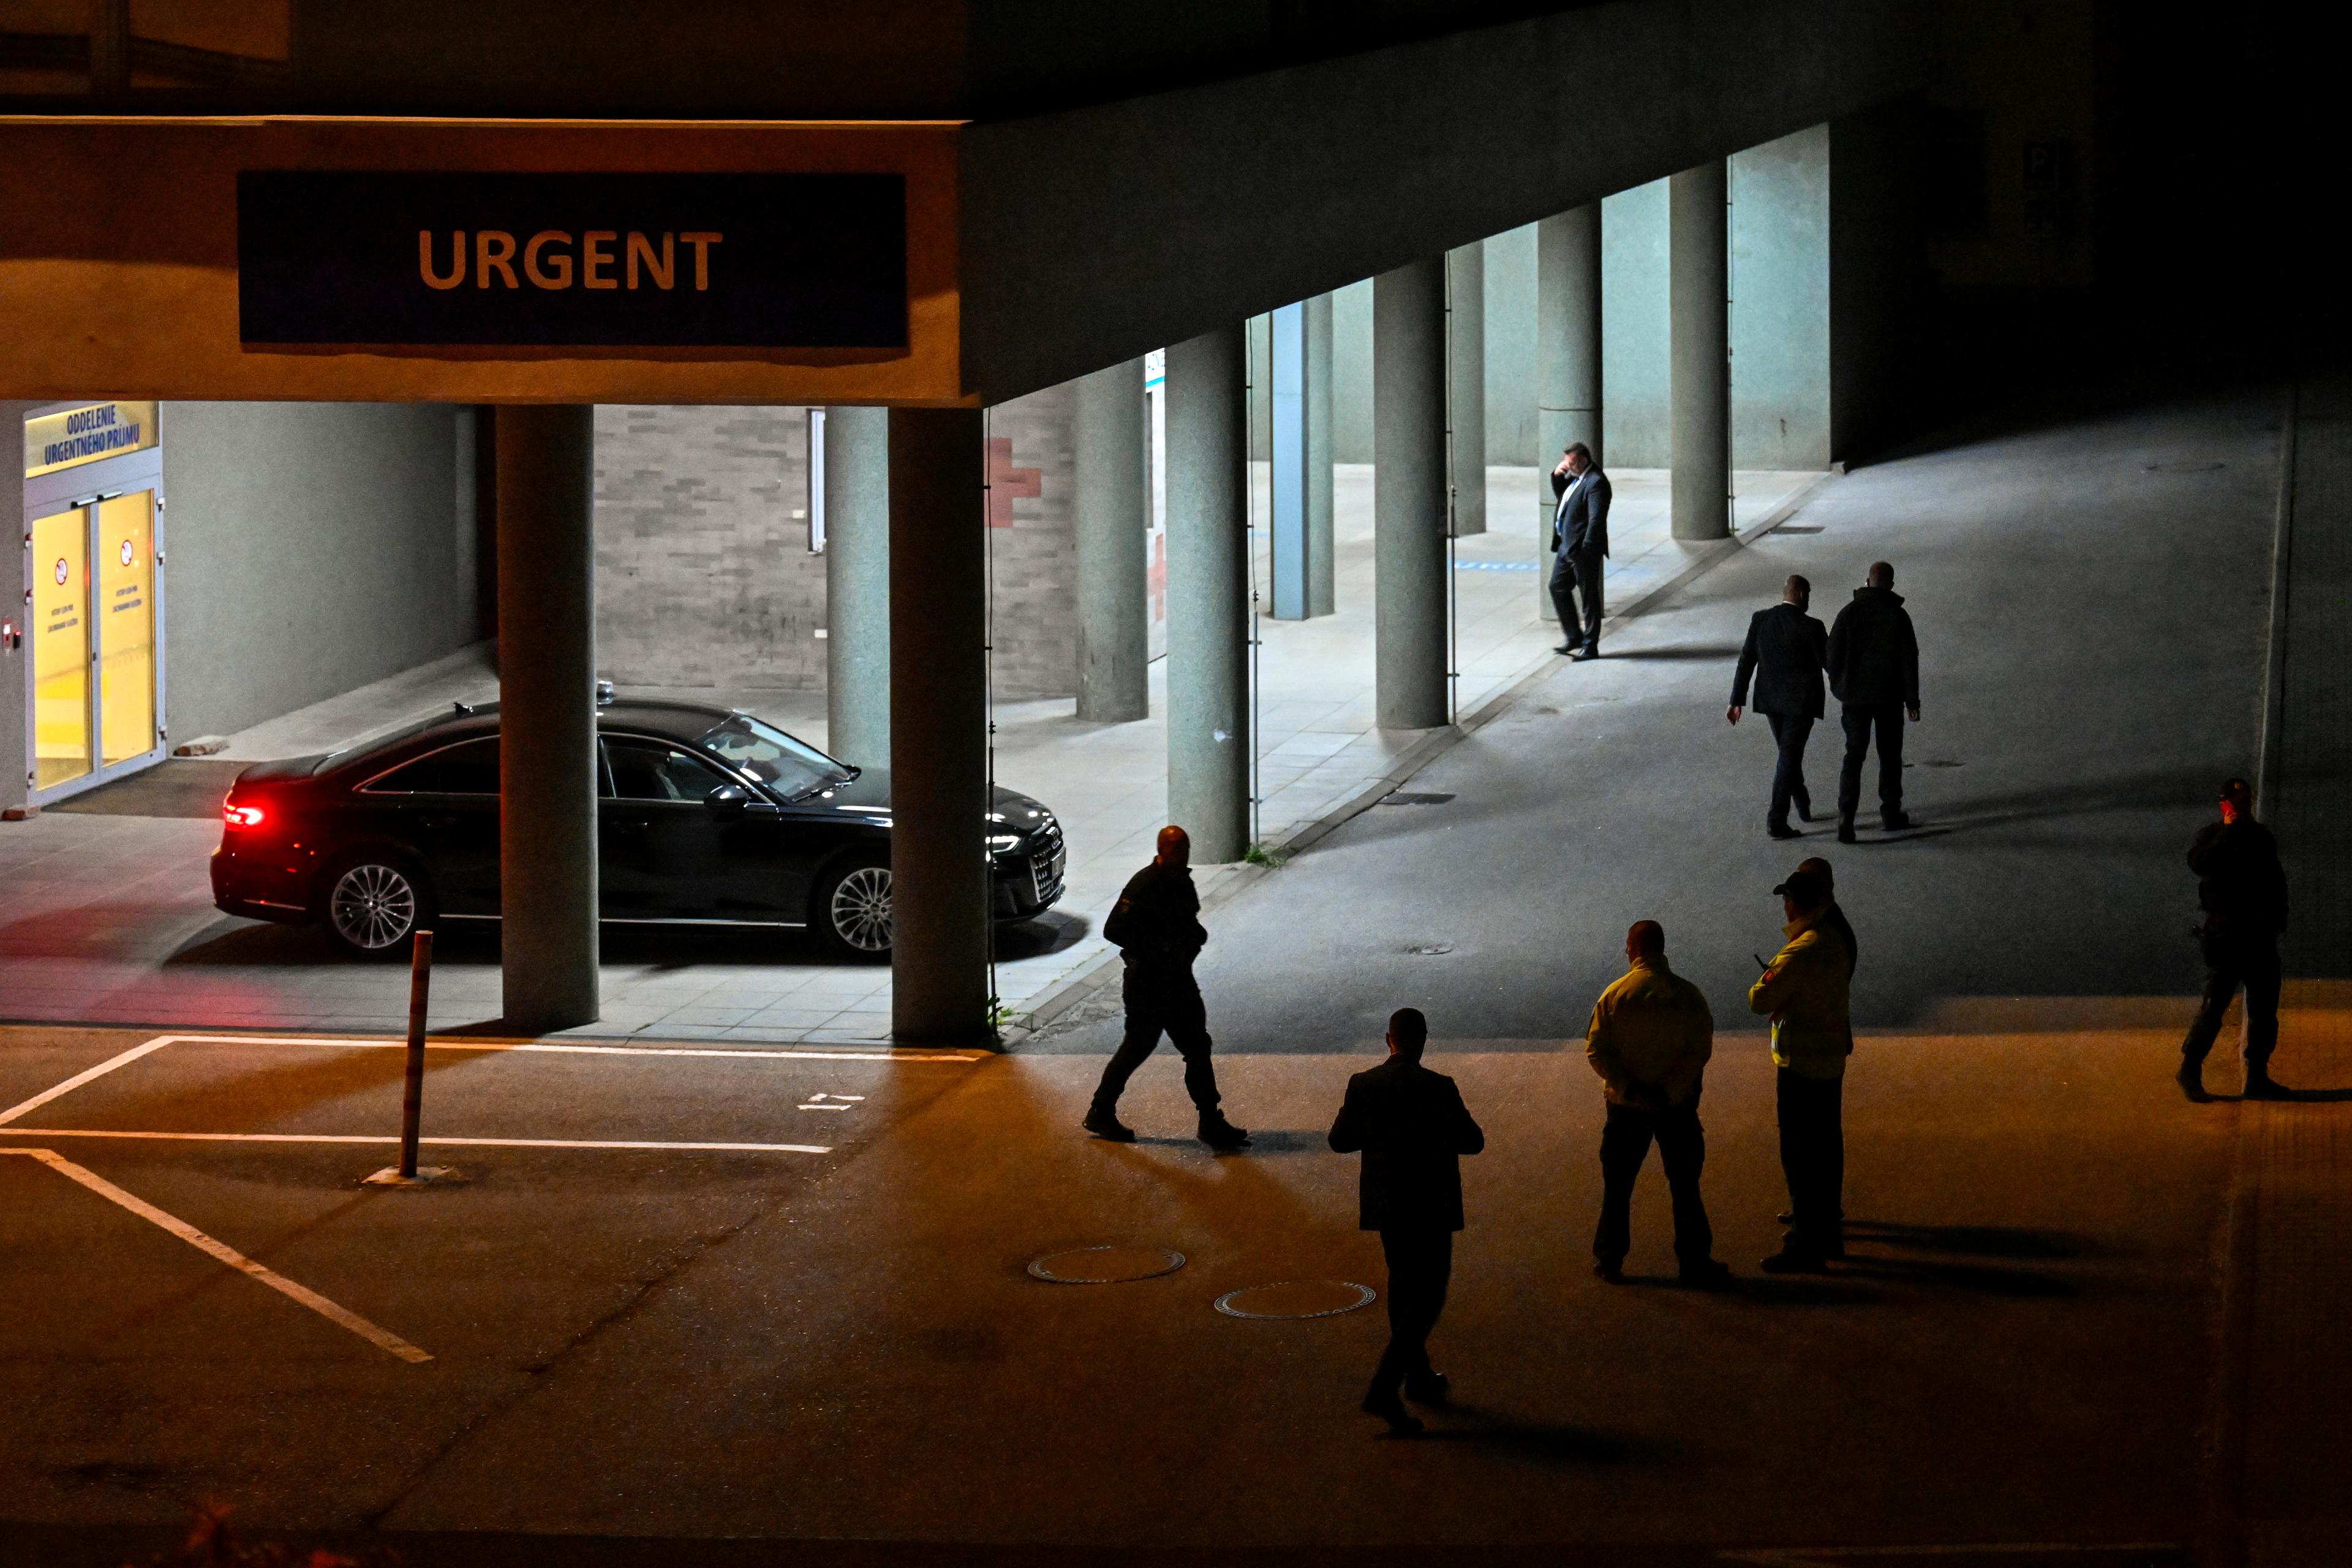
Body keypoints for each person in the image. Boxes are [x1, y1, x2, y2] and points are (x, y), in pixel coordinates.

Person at [1328, 1007, 1485, 1435]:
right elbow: (1473, 1142)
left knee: (1403, 1287)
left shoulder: (1363, 1085)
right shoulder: (1440, 1087)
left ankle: (1418, 1374)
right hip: (1432, 1204)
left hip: (1388, 1206)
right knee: (1430, 1294)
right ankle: (1386, 1386)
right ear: (1423, 1041)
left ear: (1388, 1040)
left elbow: (1340, 1141)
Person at [1084, 825, 1251, 1150]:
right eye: (1178, 850)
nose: (1184, 855)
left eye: (1186, 849)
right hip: (1149, 983)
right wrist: (1158, 949)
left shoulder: (1180, 878)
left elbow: (1184, 919)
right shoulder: (1145, 883)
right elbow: (1114, 929)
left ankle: (1210, 1119)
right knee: (1138, 1047)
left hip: (1177, 979)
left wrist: (1194, 936)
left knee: (1197, 1047)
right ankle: (1101, 1110)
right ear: (1163, 849)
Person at [1585, 921, 1732, 1287]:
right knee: (1685, 1187)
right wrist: (1668, 1090)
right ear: (1662, 948)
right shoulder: (1688, 995)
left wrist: (1632, 1088)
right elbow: (1699, 1051)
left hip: (1625, 1108)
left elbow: (1597, 1050)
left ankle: (1610, 1258)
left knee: (1618, 1188)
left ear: (1632, 950)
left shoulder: (1614, 996)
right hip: (1676, 1107)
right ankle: (1694, 1261)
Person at [1747, 867, 1853, 1272]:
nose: (1784, 906)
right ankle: (1827, 1233)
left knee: (1800, 1155)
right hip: (1829, 1058)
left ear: (1798, 903)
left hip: (1800, 1065)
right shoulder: (1835, 939)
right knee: (1826, 1150)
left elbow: (1759, 999)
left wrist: (1773, 979)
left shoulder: (1800, 949)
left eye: (1787, 899)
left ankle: (1807, 1245)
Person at [2178, 778, 2291, 1101]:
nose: (2241, 807)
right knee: (2214, 1007)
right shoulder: (2214, 836)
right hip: (2226, 936)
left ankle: (2258, 1077)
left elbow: (2275, 877)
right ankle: (2190, 1070)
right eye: (2234, 802)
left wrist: (2279, 919)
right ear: (2224, 804)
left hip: (2260, 936)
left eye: (2245, 802)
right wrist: (2228, 831)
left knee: (2264, 1011)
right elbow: (2198, 864)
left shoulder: (2261, 836)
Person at [1825, 560, 1920, 844]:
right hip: (1889, 700)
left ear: (1867, 582)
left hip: (1854, 700)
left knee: (1853, 756)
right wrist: (1912, 701)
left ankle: (1846, 817)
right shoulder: (1898, 616)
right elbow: (1909, 660)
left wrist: (1840, 686)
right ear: (1890, 585)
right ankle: (1890, 814)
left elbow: (1832, 654)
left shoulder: (1849, 613)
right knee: (1890, 757)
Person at [1728, 575, 1830, 839]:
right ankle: (1776, 820)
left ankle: (1801, 801)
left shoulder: (1761, 620)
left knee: (1788, 755)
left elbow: (1746, 660)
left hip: (1771, 702)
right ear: (1802, 595)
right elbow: (1830, 664)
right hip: (1801, 705)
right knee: (1788, 756)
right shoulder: (1813, 627)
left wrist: (1736, 700)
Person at [1548, 442, 1613, 661]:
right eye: (1567, 463)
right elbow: (1563, 499)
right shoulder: (1576, 480)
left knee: (1589, 598)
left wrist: (1587, 548)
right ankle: (1574, 636)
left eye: (1572, 463)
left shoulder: (1596, 482)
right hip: (1566, 548)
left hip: (1582, 551)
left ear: (1584, 459)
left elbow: (1596, 519)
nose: (1569, 466)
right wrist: (1558, 476)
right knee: (1557, 588)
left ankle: (1590, 646)